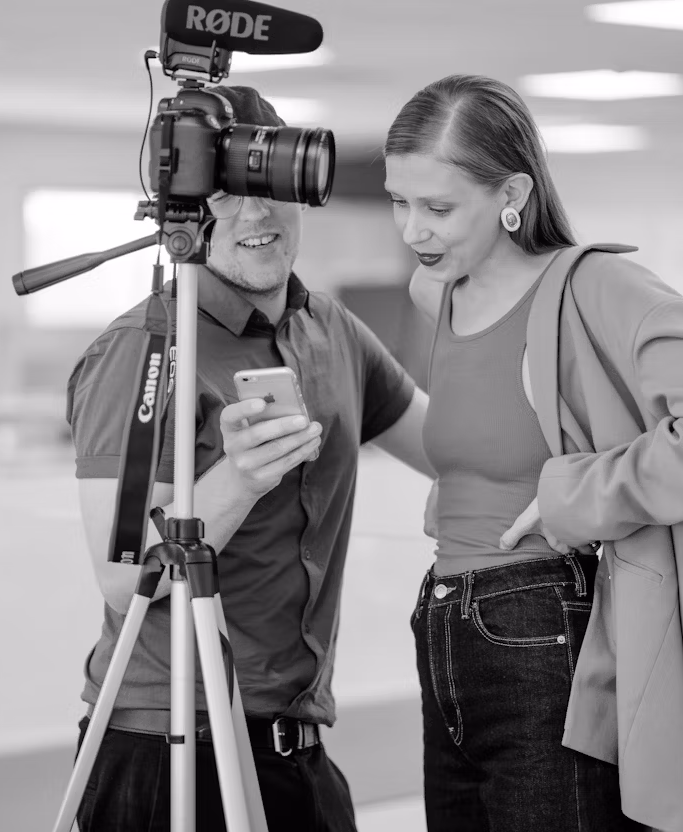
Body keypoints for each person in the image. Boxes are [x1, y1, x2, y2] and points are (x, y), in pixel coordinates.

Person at [384, 74, 683, 831]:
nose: (413, 231)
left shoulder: (595, 287)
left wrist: (581, 493)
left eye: (438, 208)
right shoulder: (436, 294)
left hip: (539, 627)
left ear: (514, 193)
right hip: (443, 627)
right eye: (399, 202)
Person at [66, 85, 433, 832]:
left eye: (269, 189)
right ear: (187, 211)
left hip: (295, 746)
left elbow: (448, 447)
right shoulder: (142, 351)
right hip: (166, 741)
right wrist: (238, 476)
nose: (257, 216)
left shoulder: (330, 328)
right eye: (227, 195)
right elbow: (120, 575)